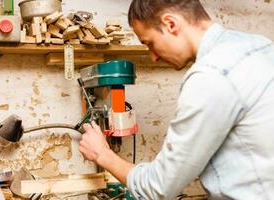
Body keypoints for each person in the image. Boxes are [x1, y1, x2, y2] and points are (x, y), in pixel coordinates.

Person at [78, 0, 274, 199]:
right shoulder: (261, 46)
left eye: (150, 43)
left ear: (170, 24)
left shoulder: (211, 75)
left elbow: (159, 188)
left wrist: (102, 154)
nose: (153, 57)